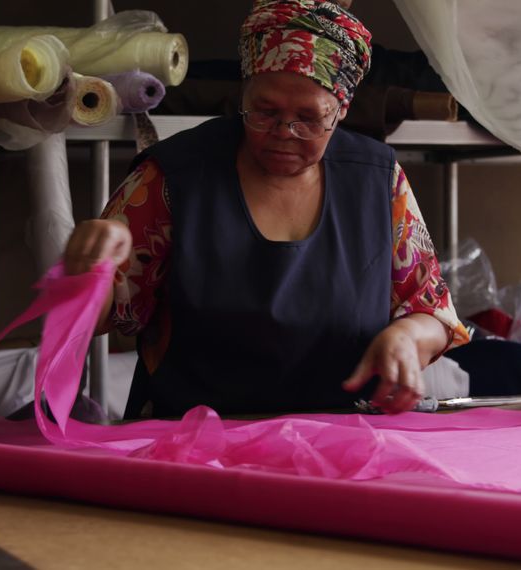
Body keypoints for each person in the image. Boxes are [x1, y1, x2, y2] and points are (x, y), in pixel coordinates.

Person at [64, 0, 469, 418]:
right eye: (264, 111)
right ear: (244, 91)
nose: (283, 133)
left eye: (309, 119)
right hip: (192, 442)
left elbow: (433, 314)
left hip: (340, 442)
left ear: (342, 110)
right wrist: (86, 276)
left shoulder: (379, 182)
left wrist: (407, 336)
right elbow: (95, 321)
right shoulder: (172, 177)